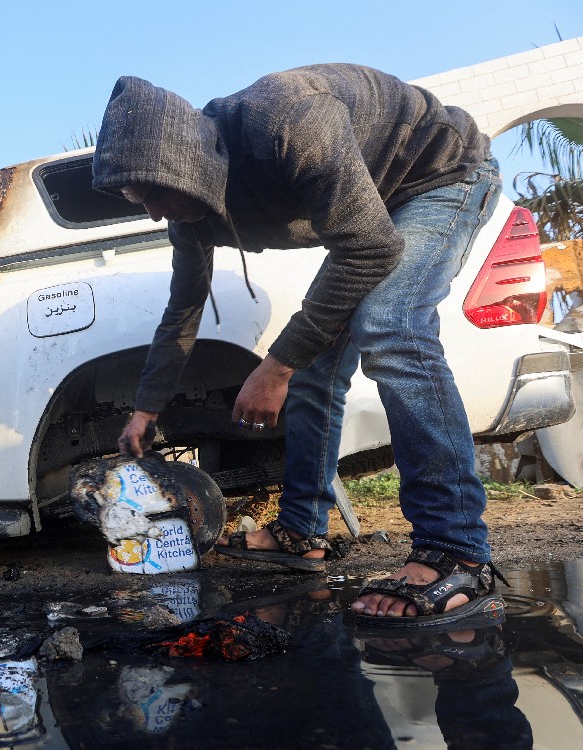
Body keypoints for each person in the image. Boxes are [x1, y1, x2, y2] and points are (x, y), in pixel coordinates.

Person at [93, 65, 506, 627]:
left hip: (439, 177)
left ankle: (455, 549)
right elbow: (183, 309)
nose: (154, 213)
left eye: (156, 194)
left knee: (391, 327)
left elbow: (369, 246)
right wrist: (145, 410)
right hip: (370, 211)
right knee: (315, 371)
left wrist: (276, 365)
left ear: (184, 162)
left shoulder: (286, 117)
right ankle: (301, 531)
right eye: (138, 201)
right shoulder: (190, 215)